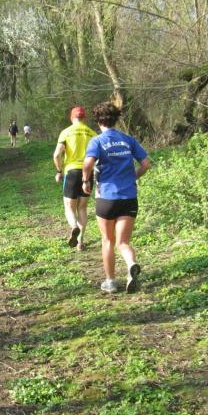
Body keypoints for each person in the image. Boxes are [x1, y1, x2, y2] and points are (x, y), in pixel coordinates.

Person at [82, 102, 151, 294]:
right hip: (129, 197)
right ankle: (131, 265)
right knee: (123, 242)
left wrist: (85, 181)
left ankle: (111, 282)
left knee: (108, 241)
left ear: (98, 121)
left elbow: (88, 163)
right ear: (116, 119)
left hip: (107, 198)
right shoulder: (128, 140)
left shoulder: (97, 141)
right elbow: (146, 164)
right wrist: (133, 177)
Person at [53, 106, 97, 251]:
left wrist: (59, 171)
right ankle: (80, 242)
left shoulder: (66, 132)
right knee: (82, 208)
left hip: (71, 172)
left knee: (69, 207)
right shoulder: (93, 133)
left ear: (72, 118)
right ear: (84, 118)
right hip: (88, 173)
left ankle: (73, 227)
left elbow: (57, 155)